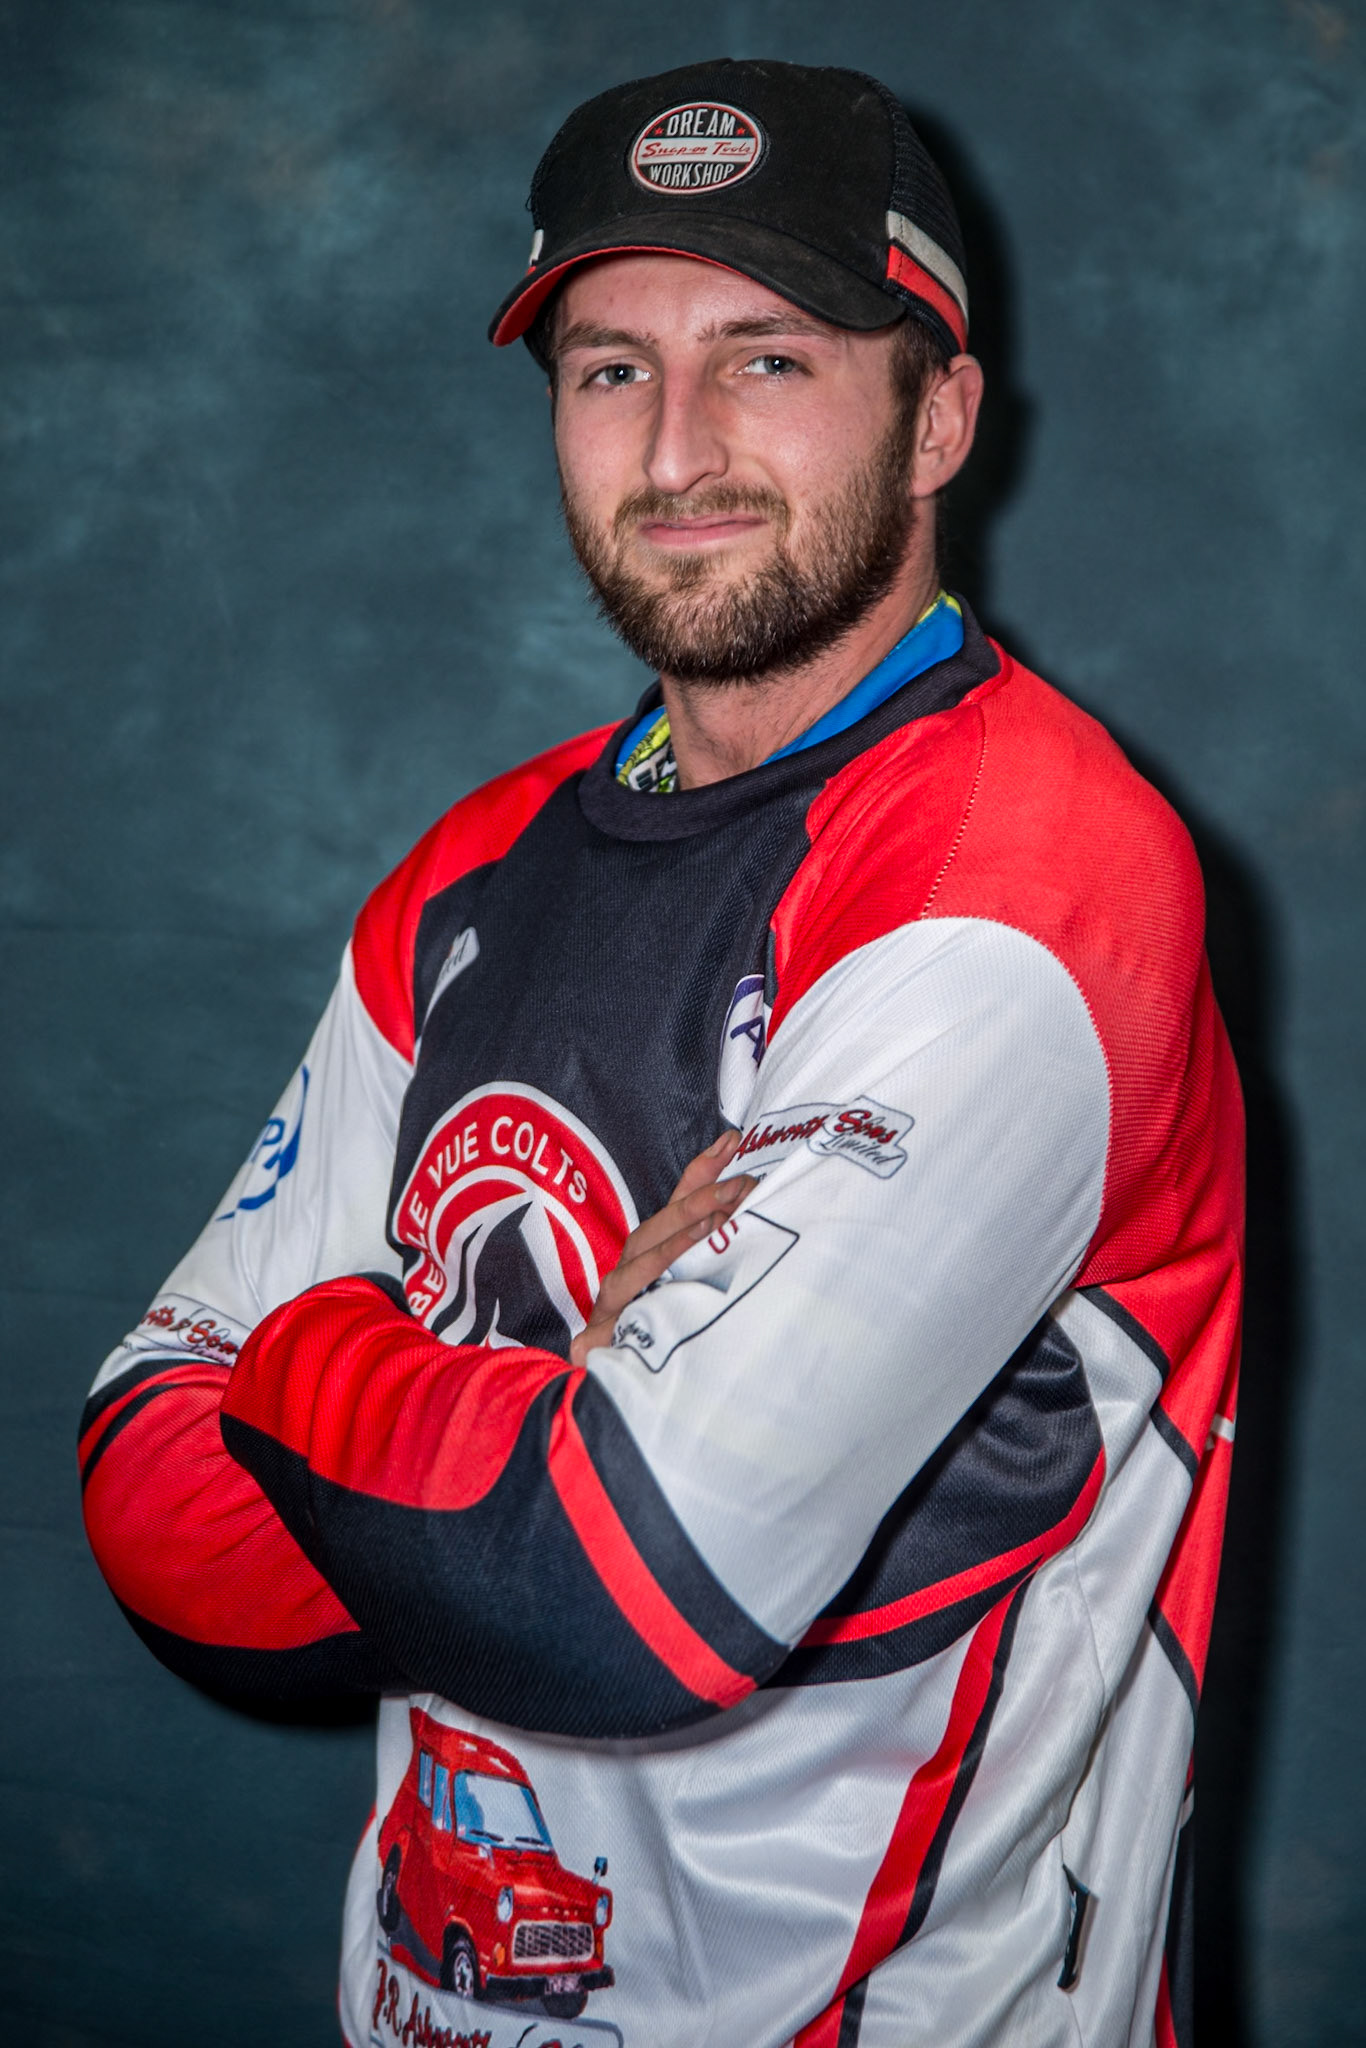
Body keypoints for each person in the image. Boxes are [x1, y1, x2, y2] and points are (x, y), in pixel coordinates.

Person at [79, 57, 1242, 2048]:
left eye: (767, 357)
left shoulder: (1028, 880)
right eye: (609, 368)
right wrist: (537, 1416)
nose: (677, 444)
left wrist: (316, 1374)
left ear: (938, 409)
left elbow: (603, 1593)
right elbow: (151, 1503)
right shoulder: (466, 876)